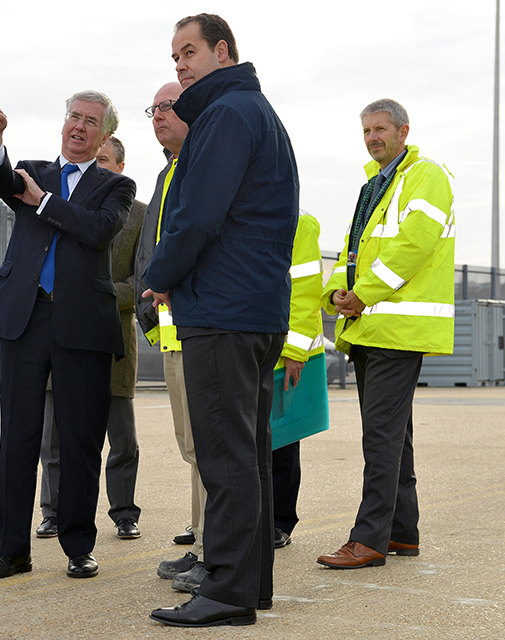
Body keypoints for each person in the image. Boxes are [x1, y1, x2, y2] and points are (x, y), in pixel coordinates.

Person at [143, 14, 299, 628]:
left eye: (190, 51)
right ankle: (247, 584)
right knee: (250, 454)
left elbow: (197, 215)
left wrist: (159, 273)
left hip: (223, 310)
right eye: (174, 54)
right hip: (254, 310)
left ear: (223, 52)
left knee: (225, 456)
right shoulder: (254, 113)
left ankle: (227, 592)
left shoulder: (226, 116)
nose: (180, 63)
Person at [0, 91, 135, 580]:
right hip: (24, 321)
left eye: (91, 122)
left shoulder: (116, 186)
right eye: (73, 117)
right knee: (17, 442)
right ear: (62, 122)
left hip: (82, 326)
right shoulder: (31, 169)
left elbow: (96, 231)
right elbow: (1, 180)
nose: (79, 127)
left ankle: (78, 545)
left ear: (104, 135)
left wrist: (43, 202)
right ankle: (10, 551)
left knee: (81, 440)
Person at [316, 99, 455, 569]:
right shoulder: (374, 185)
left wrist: (364, 294)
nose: (373, 137)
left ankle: (369, 538)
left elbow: (413, 245)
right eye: (367, 131)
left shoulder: (426, 175)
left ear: (403, 131)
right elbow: (352, 250)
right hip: (371, 326)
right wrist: (337, 290)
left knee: (380, 436)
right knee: (394, 436)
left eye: (381, 129)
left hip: (397, 326)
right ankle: (401, 532)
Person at [37, 136, 146, 541]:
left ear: (119, 167)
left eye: (103, 160)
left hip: (114, 338)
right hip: (61, 334)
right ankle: (52, 510)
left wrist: (90, 293)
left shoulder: (141, 215)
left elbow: (143, 281)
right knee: (56, 438)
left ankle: (124, 512)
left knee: (122, 438)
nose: (93, 167)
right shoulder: (64, 208)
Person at [134, 80, 210, 591]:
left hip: (203, 326)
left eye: (169, 106)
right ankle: (205, 540)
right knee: (192, 446)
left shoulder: (203, 165)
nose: (159, 115)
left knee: (209, 446)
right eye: (154, 109)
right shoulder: (168, 172)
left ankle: (215, 550)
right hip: (173, 330)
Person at [271, 211, 326, 550]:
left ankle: (280, 521)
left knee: (283, 442)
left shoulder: (298, 222)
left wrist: (295, 350)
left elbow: (304, 291)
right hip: (258, 348)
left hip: (286, 353)